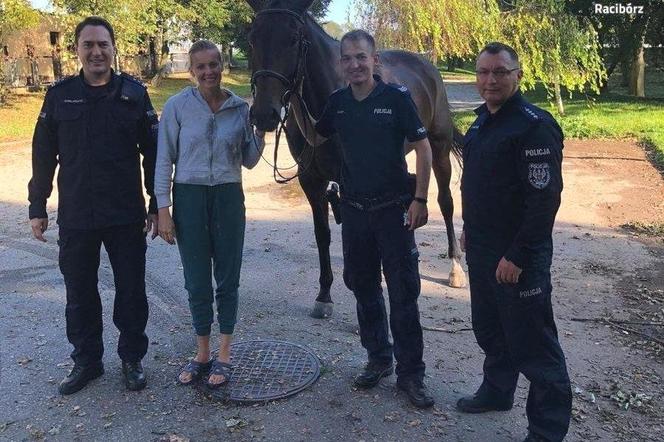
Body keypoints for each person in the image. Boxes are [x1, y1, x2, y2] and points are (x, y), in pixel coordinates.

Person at [293, 30, 434, 408]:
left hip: (393, 210)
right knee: (363, 287)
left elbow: (422, 147)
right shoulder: (338, 103)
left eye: (361, 57)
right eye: (348, 58)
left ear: (375, 61)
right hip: (354, 211)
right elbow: (315, 136)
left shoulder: (396, 98)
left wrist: (420, 198)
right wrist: (291, 101)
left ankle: (411, 374)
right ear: (341, 65)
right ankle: (378, 358)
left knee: (404, 292)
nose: (355, 64)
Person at [28, 16, 159, 395]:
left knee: (131, 291)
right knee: (79, 293)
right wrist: (38, 204)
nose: (96, 51)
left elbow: (152, 153)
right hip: (77, 216)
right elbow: (43, 153)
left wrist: (156, 202)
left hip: (124, 214)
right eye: (89, 45)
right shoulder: (59, 95)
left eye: (103, 44)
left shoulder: (134, 95)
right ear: (77, 50)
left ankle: (131, 358)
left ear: (114, 48)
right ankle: (87, 361)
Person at [458, 42, 572, 442]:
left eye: (500, 72)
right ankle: (497, 391)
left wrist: (517, 255)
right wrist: (470, 230)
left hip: (518, 258)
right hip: (484, 251)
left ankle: (546, 431)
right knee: (490, 330)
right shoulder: (480, 123)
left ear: (517, 76)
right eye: (484, 72)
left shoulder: (532, 125)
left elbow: (544, 200)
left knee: (535, 348)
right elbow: (480, 186)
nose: (490, 80)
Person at [155, 40, 265, 389]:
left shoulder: (239, 108)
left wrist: (261, 129)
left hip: (228, 196)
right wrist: (163, 209)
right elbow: (164, 158)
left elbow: (248, 159)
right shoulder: (176, 106)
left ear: (222, 65)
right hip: (188, 196)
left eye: (213, 64)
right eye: (200, 66)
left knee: (228, 278)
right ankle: (202, 352)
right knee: (197, 279)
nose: (208, 72)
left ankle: (226, 352)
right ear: (192, 71)